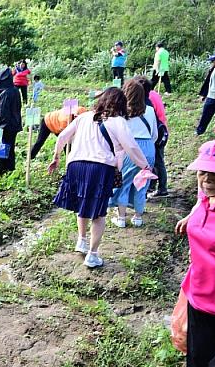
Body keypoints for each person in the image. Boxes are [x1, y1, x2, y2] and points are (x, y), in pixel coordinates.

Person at [48, 88, 150, 268]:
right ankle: (92, 255)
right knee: (99, 212)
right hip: (99, 167)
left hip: (76, 165)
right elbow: (131, 148)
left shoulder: (84, 116)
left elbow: (63, 136)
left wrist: (56, 156)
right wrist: (144, 165)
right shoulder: (118, 121)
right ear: (120, 104)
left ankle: (81, 240)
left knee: (83, 203)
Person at [174, 138, 215, 367]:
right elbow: (202, 201)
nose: (207, 180)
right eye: (202, 172)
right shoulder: (207, 199)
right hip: (200, 301)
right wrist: (191, 218)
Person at [108, 80, 157, 227]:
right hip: (148, 147)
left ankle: (121, 218)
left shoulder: (121, 112)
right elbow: (154, 134)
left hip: (128, 148)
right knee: (142, 184)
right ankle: (138, 217)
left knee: (124, 183)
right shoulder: (149, 110)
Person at [0, 68, 22, 175]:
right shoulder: (16, 90)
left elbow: (3, 112)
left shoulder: (5, 94)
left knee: (1, 148)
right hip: (15, 124)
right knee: (10, 148)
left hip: (6, 126)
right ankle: (11, 169)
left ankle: (3, 170)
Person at [196, 53, 215, 136]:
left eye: (213, 60)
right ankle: (199, 131)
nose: (212, 61)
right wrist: (204, 95)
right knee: (205, 115)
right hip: (210, 97)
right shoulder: (211, 69)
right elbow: (207, 83)